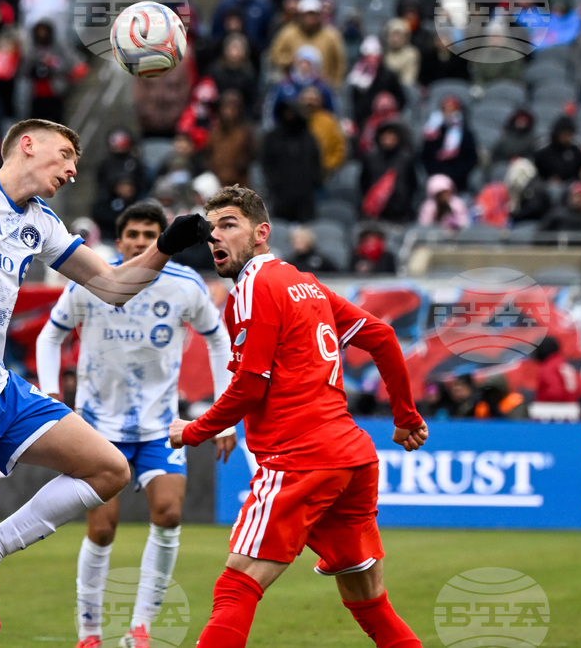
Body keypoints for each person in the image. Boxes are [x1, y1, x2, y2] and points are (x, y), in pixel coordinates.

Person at [0, 118, 214, 647]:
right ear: (27, 145)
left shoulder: (41, 223)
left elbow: (115, 286)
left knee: (109, 469)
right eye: (67, 154)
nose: (74, 169)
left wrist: (165, 245)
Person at [167, 185, 427, 648]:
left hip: (300, 459)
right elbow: (383, 336)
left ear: (261, 233)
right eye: (210, 231)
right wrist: (405, 417)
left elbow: (250, 386)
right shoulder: (304, 283)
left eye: (229, 225)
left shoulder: (252, 287)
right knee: (369, 602)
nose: (216, 238)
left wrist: (193, 430)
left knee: (236, 585)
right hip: (351, 458)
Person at [35, 201, 238, 648]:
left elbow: (218, 338)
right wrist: (51, 392)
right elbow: (50, 334)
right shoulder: (92, 280)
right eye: (134, 235)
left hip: (161, 426)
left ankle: (140, 629)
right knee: (102, 528)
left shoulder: (185, 285)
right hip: (97, 427)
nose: (141, 242)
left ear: (164, 239)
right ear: (121, 238)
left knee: (168, 515)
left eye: (151, 235)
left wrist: (224, 416)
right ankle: (89, 633)